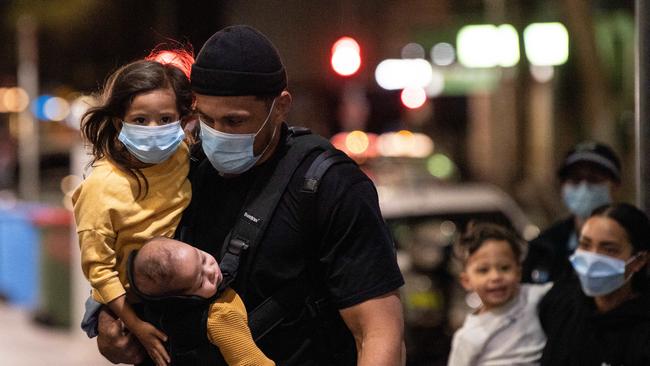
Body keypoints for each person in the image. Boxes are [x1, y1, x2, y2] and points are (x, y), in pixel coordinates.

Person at [96, 25, 405, 366]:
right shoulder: (181, 172)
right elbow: (131, 257)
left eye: (234, 121)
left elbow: (378, 333)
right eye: (206, 119)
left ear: (280, 106)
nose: (217, 135)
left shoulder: (328, 186)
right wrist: (110, 320)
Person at [72, 50, 196, 366]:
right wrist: (137, 325)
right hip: (126, 301)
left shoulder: (183, 155)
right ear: (119, 122)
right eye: (140, 120)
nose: (154, 130)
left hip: (178, 285)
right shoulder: (102, 186)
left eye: (166, 119)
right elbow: (98, 270)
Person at [130, 236, 275, 365]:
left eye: (203, 259)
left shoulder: (162, 311)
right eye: (200, 282)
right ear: (184, 299)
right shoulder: (221, 316)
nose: (211, 271)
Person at [539, 203, 650, 365]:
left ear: (639, 260)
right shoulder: (562, 303)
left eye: (609, 249)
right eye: (585, 244)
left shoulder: (643, 332)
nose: (592, 259)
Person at [448, 223, 552, 366]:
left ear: (518, 272)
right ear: (467, 281)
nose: (496, 277)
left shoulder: (534, 296)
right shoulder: (468, 337)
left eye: (504, 268)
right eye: (483, 270)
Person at [522, 141, 621, 283]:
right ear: (562, 187)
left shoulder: (636, 242)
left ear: (615, 186)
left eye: (594, 179)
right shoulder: (543, 249)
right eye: (575, 180)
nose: (584, 187)